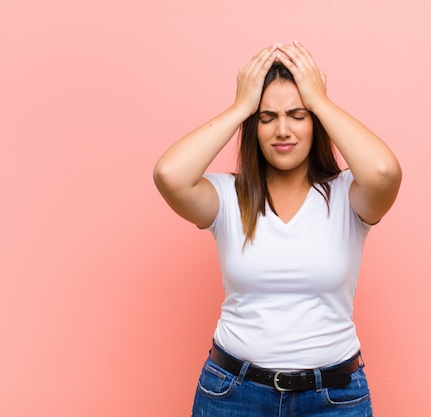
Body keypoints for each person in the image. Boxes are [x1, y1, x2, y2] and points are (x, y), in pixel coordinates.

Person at [153, 41, 401, 417]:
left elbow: (384, 171)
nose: (282, 130)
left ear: (315, 121)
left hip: (333, 400)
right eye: (267, 117)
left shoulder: (349, 195)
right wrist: (241, 106)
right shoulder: (228, 196)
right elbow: (169, 174)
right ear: (253, 126)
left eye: (297, 115)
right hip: (233, 396)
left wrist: (320, 100)